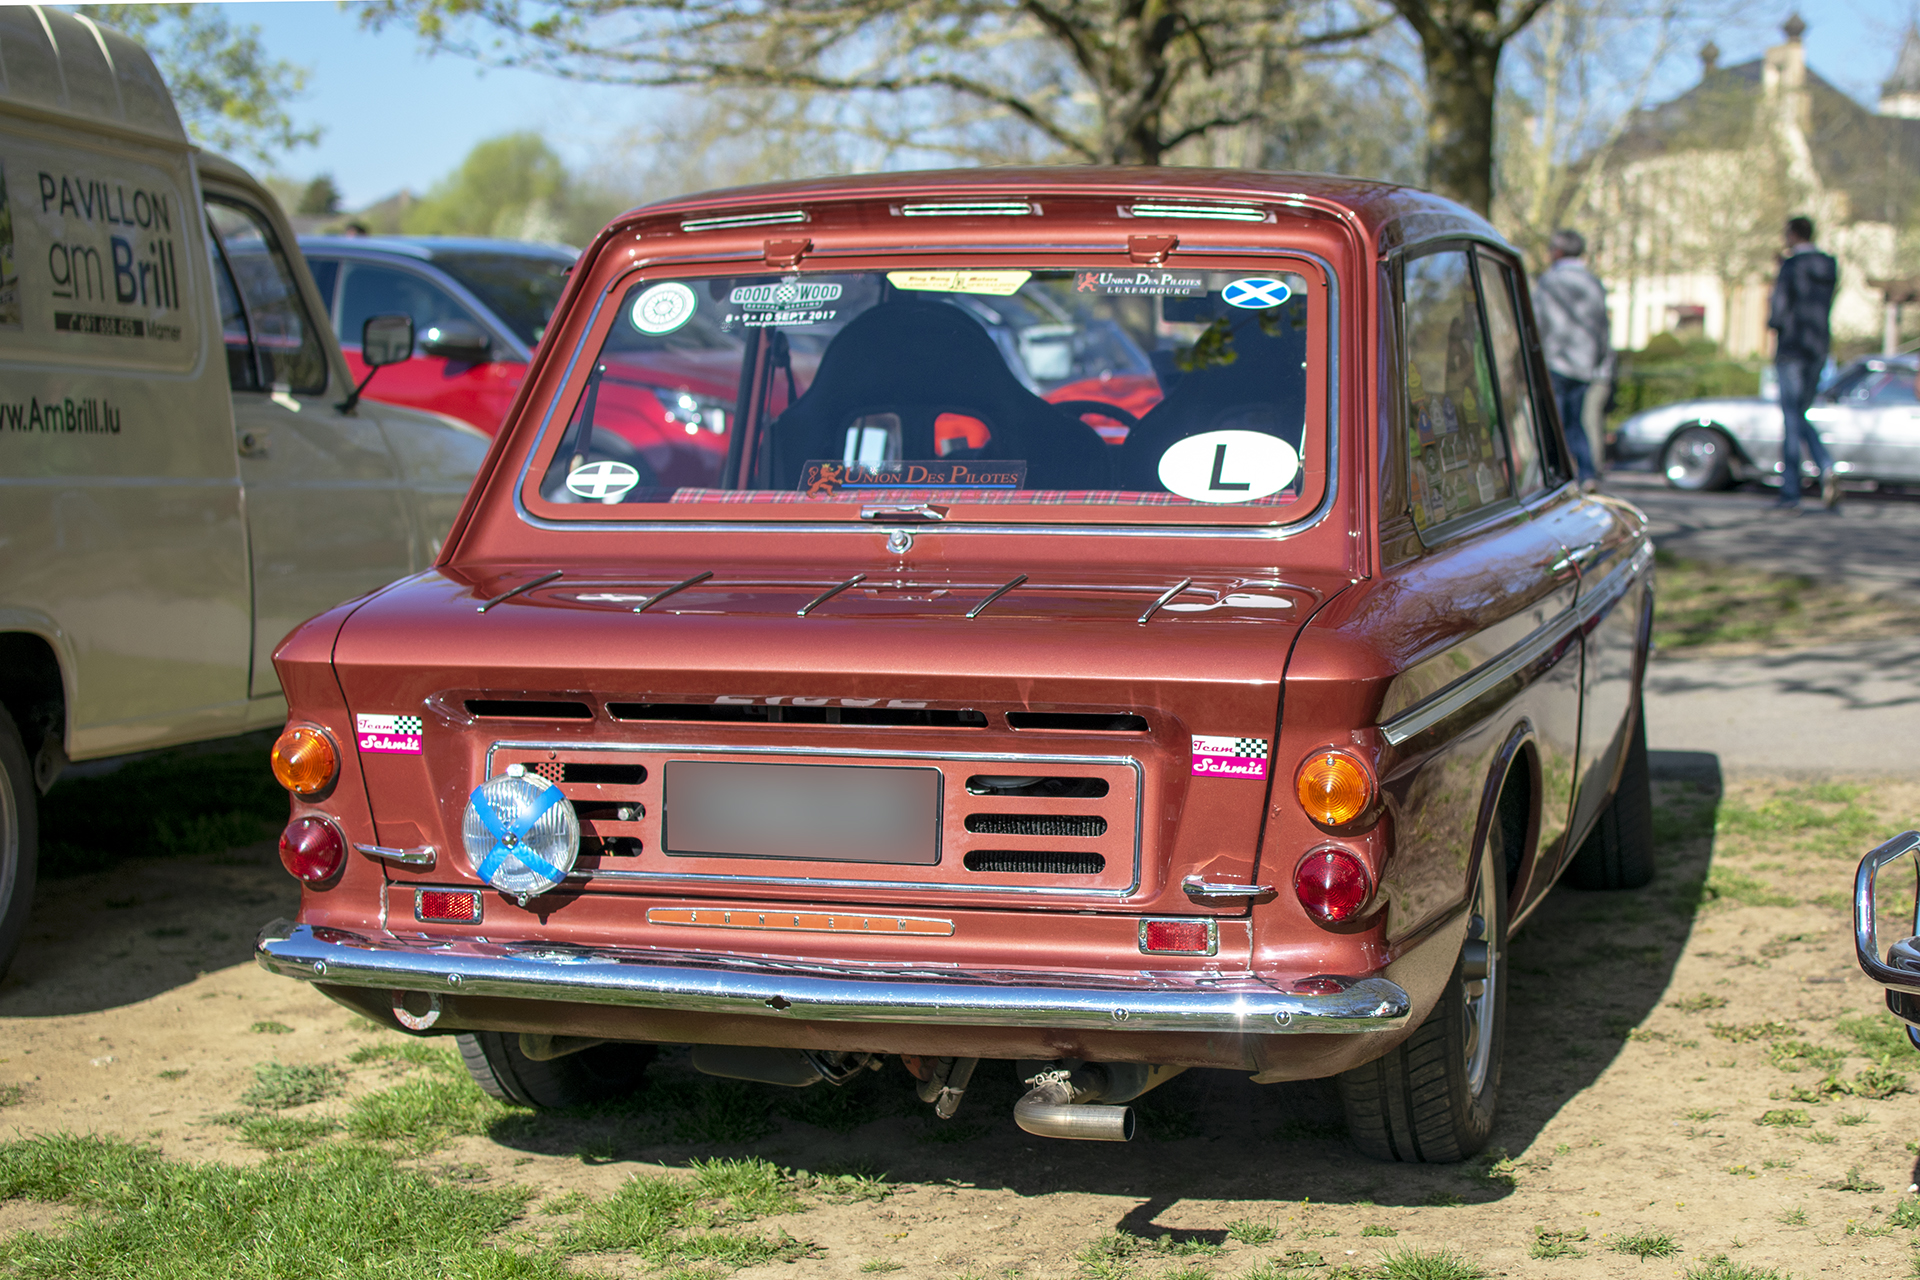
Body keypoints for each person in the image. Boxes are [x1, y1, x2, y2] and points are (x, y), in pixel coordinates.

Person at [1769, 215, 1840, 511]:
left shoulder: (1791, 265)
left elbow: (1779, 309)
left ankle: (1791, 492)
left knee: (1791, 416)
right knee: (1800, 413)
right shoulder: (1829, 266)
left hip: (1792, 348)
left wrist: (1774, 323)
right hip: (1818, 347)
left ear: (1794, 234)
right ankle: (1826, 468)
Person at [1533, 228, 1611, 491]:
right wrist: (1596, 359)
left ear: (1557, 251)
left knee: (1554, 423)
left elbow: (1535, 322)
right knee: (1575, 422)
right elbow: (1602, 327)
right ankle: (1587, 473)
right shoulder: (1593, 283)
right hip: (1583, 365)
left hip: (1555, 361)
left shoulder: (1549, 282)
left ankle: (1557, 476)